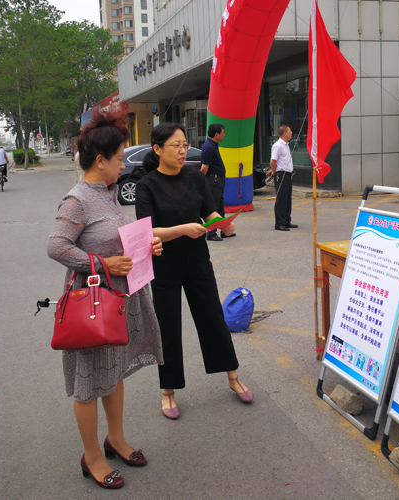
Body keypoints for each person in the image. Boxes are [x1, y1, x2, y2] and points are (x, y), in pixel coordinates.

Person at [47, 109, 164, 490]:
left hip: (118, 299)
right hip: (92, 305)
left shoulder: (110, 194)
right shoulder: (77, 200)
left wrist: (146, 246)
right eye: (118, 159)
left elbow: (115, 238)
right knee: (88, 384)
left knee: (113, 372)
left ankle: (116, 439)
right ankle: (92, 456)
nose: (122, 165)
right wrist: (102, 263)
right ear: (100, 161)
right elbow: (56, 247)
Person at [135, 122, 253, 421]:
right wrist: (183, 229)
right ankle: (168, 390)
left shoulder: (195, 177)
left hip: (198, 260)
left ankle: (232, 375)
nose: (182, 151)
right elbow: (147, 231)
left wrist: (222, 223)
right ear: (158, 149)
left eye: (185, 145)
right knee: (168, 326)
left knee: (213, 318)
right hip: (164, 264)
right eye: (175, 145)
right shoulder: (146, 185)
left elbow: (208, 212)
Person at [200, 123, 233, 241]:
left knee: (220, 205)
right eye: (223, 133)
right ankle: (211, 233)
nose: (224, 135)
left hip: (218, 179)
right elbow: (204, 168)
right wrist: (201, 182)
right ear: (216, 134)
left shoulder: (214, 145)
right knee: (213, 206)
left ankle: (224, 229)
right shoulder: (209, 147)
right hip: (213, 180)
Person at [270, 125, 297, 231]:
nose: (291, 132)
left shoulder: (286, 145)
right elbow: (273, 161)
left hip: (288, 174)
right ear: (285, 133)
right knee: (281, 199)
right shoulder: (278, 145)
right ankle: (279, 223)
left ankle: (286, 221)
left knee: (287, 198)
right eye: (290, 131)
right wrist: (274, 171)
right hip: (281, 174)